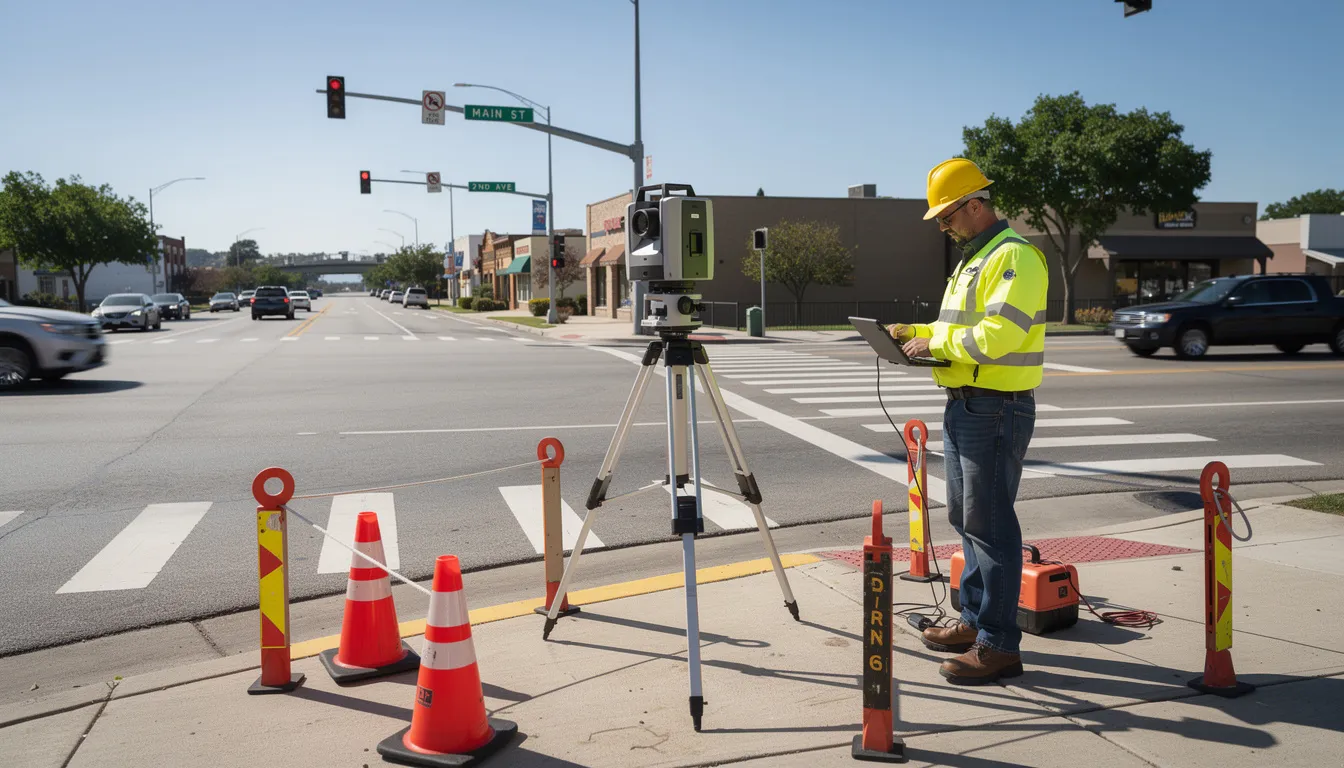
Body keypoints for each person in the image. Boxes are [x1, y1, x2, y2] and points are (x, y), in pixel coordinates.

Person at [890, 158, 1048, 685]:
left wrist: (933, 341)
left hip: (996, 405)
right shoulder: (976, 260)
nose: (944, 226)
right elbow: (958, 326)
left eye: (947, 216)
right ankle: (977, 622)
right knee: (967, 519)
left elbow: (1000, 334)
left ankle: (1000, 646)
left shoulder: (1014, 258)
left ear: (974, 205)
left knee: (992, 526)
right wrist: (914, 329)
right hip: (967, 402)